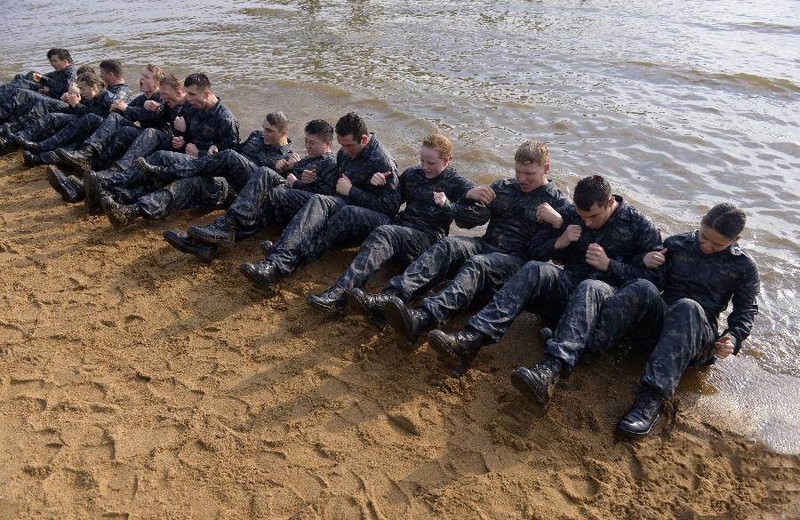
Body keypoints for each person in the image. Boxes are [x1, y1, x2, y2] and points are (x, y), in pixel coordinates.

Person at [427, 175, 662, 379]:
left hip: (603, 305)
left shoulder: (640, 226)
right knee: (535, 268)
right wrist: (560, 241)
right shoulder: (572, 214)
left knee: (592, 286)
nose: (587, 222)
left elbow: (651, 286)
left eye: (593, 217)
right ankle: (472, 337)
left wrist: (610, 265)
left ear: (610, 202)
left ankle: (550, 369)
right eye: (583, 217)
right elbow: (535, 248)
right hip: (568, 289)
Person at [357, 140, 568, 343]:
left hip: (517, 262)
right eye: (518, 172)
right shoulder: (504, 187)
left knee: (478, 264)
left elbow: (559, 259)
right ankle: (390, 296)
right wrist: (468, 196)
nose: (522, 178)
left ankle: (424, 316)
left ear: (546, 168)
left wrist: (558, 223)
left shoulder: (559, 203)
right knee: (449, 245)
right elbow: (469, 221)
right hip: (485, 245)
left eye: (528, 174)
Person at [582, 203, 759, 438]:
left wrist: (733, 338)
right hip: (660, 325)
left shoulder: (744, 267)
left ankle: (649, 402)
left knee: (687, 306)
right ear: (701, 221)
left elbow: (746, 310)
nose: (706, 246)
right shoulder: (676, 245)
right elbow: (648, 283)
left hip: (697, 337)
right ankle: (589, 345)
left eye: (717, 244)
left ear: (736, 239)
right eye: (704, 237)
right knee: (642, 287)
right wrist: (645, 262)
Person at [306, 133, 484, 312]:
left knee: (386, 232)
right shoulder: (412, 174)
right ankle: (308, 253)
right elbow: (391, 203)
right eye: (422, 160)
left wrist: (450, 205)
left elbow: (479, 217)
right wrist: (379, 183)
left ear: (447, 161)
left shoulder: (458, 183)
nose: (425, 167)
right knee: (354, 214)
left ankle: (340, 293)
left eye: (431, 163)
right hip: (400, 228)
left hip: (427, 239)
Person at [239, 112, 399, 288]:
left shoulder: (383, 161)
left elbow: (390, 209)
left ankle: (283, 258)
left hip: (372, 218)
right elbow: (335, 187)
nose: (344, 151)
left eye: (349, 146)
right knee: (318, 200)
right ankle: (280, 257)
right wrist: (309, 181)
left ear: (363, 139)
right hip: (347, 203)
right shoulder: (344, 154)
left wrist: (353, 191)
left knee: (337, 209)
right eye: (341, 145)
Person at [164, 119, 339, 262]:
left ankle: (220, 228)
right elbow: (292, 178)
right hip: (284, 196)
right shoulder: (310, 158)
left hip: (297, 206)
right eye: (306, 142)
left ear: (328, 143)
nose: (308, 146)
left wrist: (298, 183)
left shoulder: (330, 163)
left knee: (263, 177)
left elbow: (326, 199)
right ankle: (204, 245)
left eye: (313, 143)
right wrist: (289, 168)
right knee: (254, 210)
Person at [54, 64, 167, 173]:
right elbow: (126, 114)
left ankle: (90, 158)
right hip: (143, 134)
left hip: (156, 138)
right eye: (142, 75)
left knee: (122, 127)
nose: (141, 78)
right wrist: (116, 108)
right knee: (115, 119)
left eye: (146, 77)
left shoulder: (161, 97)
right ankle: (88, 157)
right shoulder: (141, 98)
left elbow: (149, 114)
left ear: (157, 83)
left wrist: (125, 108)